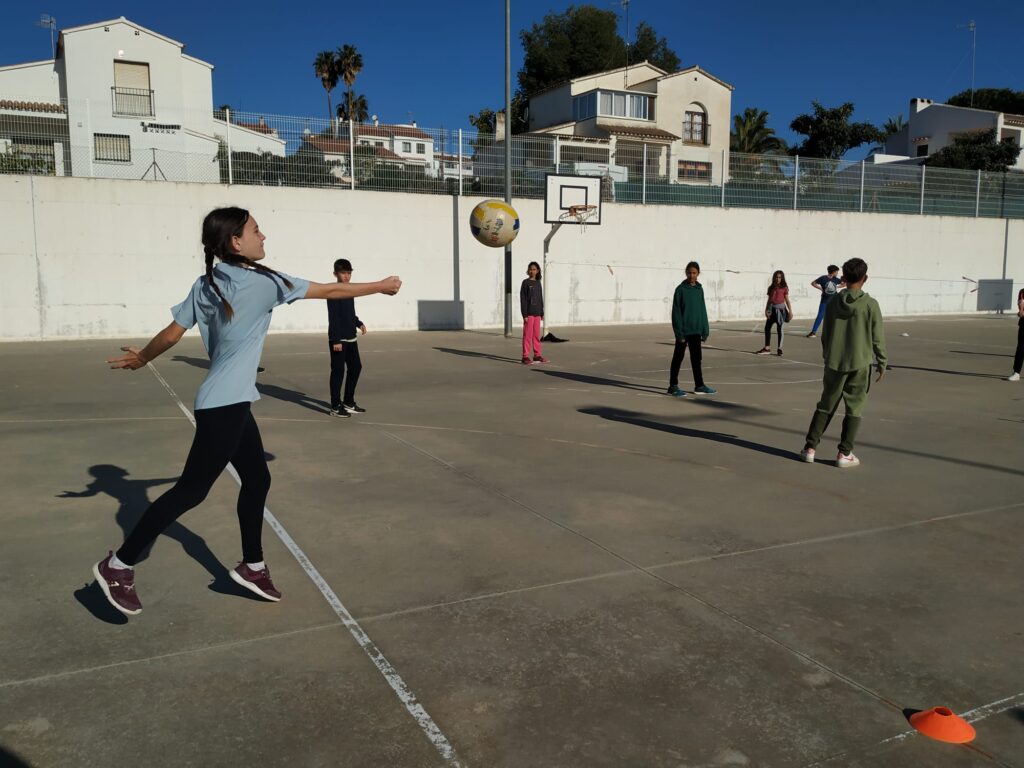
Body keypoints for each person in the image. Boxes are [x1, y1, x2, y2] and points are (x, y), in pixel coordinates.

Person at [94, 207, 401, 616]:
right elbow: (330, 291)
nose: (264, 236)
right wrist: (381, 286)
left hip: (231, 401)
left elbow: (172, 333)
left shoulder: (207, 282)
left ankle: (252, 567)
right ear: (236, 241)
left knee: (257, 478)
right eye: (256, 230)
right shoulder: (264, 283)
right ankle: (118, 565)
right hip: (224, 404)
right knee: (191, 491)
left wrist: (143, 357)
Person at [800, 257, 886, 468]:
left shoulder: (833, 303)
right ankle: (844, 452)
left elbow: (826, 333)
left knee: (826, 404)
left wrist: (828, 354)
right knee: (854, 408)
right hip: (860, 362)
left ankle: (810, 448)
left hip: (835, 361)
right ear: (865, 278)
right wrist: (882, 361)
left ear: (844, 279)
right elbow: (877, 337)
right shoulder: (870, 305)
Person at [668, 261, 716, 397]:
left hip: (696, 330)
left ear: (698, 273)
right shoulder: (680, 290)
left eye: (694, 273)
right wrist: (679, 333)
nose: (692, 275)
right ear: (686, 273)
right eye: (689, 273)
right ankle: (672, 386)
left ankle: (699, 386)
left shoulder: (699, 289)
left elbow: (702, 310)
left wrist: (705, 329)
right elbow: (676, 312)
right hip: (684, 331)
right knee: (678, 358)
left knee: (696, 359)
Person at [327, 258, 368, 417]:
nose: (346, 276)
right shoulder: (333, 292)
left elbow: (349, 313)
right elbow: (334, 317)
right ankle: (335, 406)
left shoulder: (350, 291)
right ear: (335, 274)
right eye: (343, 273)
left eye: (349, 273)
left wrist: (358, 323)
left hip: (351, 338)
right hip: (339, 339)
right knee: (338, 372)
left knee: (356, 367)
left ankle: (348, 402)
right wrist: (336, 340)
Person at [757, 270, 794, 356]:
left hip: (780, 311)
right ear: (774, 278)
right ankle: (767, 348)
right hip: (771, 310)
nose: (778, 279)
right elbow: (769, 300)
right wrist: (766, 310)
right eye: (776, 277)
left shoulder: (784, 288)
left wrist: (790, 311)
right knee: (767, 328)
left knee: (779, 329)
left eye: (780, 277)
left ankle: (779, 349)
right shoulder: (771, 288)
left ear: (782, 278)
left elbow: (787, 300)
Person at [521, 261, 548, 365]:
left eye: (534, 269)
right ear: (528, 271)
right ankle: (525, 356)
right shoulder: (525, 283)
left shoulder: (538, 283)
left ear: (537, 271)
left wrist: (542, 312)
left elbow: (540, 299)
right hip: (529, 313)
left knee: (536, 335)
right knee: (527, 335)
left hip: (537, 313)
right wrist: (524, 315)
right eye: (530, 269)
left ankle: (537, 355)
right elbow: (523, 299)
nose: (532, 271)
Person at [807, 265, 843, 338]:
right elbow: (813, 283)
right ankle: (813, 332)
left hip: (834, 301)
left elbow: (844, 283)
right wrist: (820, 288)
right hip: (825, 300)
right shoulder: (823, 278)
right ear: (833, 272)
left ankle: (835, 333)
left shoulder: (836, 279)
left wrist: (837, 287)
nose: (837, 273)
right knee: (820, 316)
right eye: (836, 272)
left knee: (834, 317)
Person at [1009, 286, 1024, 382]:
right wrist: (1021, 311)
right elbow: (1020, 305)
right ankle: (1016, 373)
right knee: (1021, 348)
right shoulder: (1022, 292)